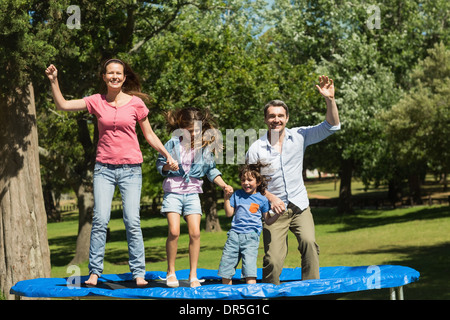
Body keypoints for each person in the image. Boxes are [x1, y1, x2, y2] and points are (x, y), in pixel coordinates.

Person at [45, 59, 178, 287]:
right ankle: (94, 272)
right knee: (100, 219)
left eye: (119, 73)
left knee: (132, 220)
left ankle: (138, 272)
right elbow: (63, 106)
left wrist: (167, 154)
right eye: (110, 73)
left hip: (131, 170)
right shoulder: (96, 101)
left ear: (124, 78)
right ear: (104, 77)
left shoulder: (136, 104)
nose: (115, 76)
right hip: (104, 169)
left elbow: (149, 135)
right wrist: (54, 81)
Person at [246, 75, 340, 285]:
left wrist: (330, 99)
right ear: (265, 120)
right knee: (273, 259)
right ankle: (268, 297)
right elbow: (250, 185)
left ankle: (312, 294)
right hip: (273, 211)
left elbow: (331, 126)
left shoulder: (300, 136)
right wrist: (270, 198)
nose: (276, 119)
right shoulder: (256, 148)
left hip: (299, 206)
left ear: (287, 118)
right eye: (272, 116)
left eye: (280, 115)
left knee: (309, 244)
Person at [156, 107, 233, 288]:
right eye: (190, 131)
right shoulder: (172, 144)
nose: (194, 135)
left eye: (197, 131)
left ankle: (193, 274)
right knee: (174, 231)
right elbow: (160, 166)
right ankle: (171, 271)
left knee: (195, 233)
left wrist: (223, 185)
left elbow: (211, 171)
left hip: (192, 193)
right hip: (173, 192)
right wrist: (168, 166)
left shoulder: (205, 148)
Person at [218, 162, 280, 285]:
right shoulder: (237, 195)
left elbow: (267, 220)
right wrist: (226, 198)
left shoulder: (262, 199)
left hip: (251, 237)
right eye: (243, 180)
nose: (246, 183)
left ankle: (251, 293)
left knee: (249, 267)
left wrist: (278, 214)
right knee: (227, 265)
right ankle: (227, 294)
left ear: (258, 182)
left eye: (250, 180)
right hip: (234, 235)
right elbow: (229, 213)